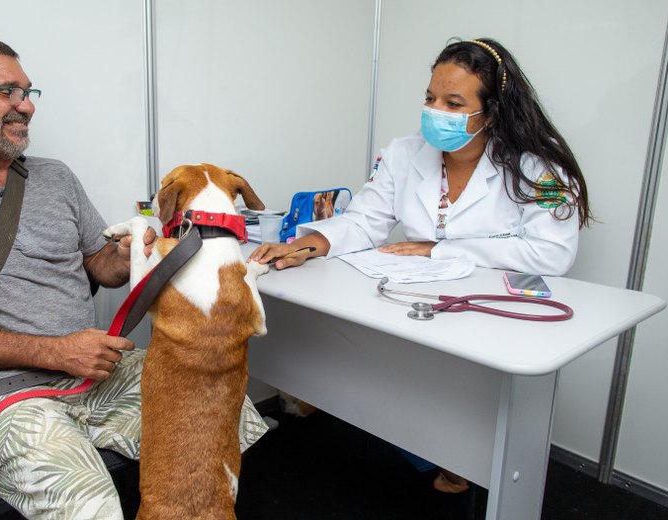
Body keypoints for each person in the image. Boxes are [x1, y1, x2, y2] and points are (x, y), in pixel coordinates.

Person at [0, 35, 267, 519]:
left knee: (237, 425)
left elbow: (100, 264)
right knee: (90, 508)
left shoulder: (56, 178)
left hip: (99, 372)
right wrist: (58, 351)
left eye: (28, 93)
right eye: (7, 92)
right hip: (7, 393)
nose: (25, 106)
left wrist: (130, 253)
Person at [249, 37, 592, 492]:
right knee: (386, 380)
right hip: (414, 298)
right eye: (430, 98)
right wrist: (309, 244)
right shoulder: (403, 153)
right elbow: (367, 220)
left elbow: (551, 254)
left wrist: (438, 248)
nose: (435, 110)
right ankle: (431, 448)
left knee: (460, 409)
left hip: (490, 313)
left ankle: (466, 460)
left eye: (453, 102)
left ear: (492, 111)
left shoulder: (540, 168)